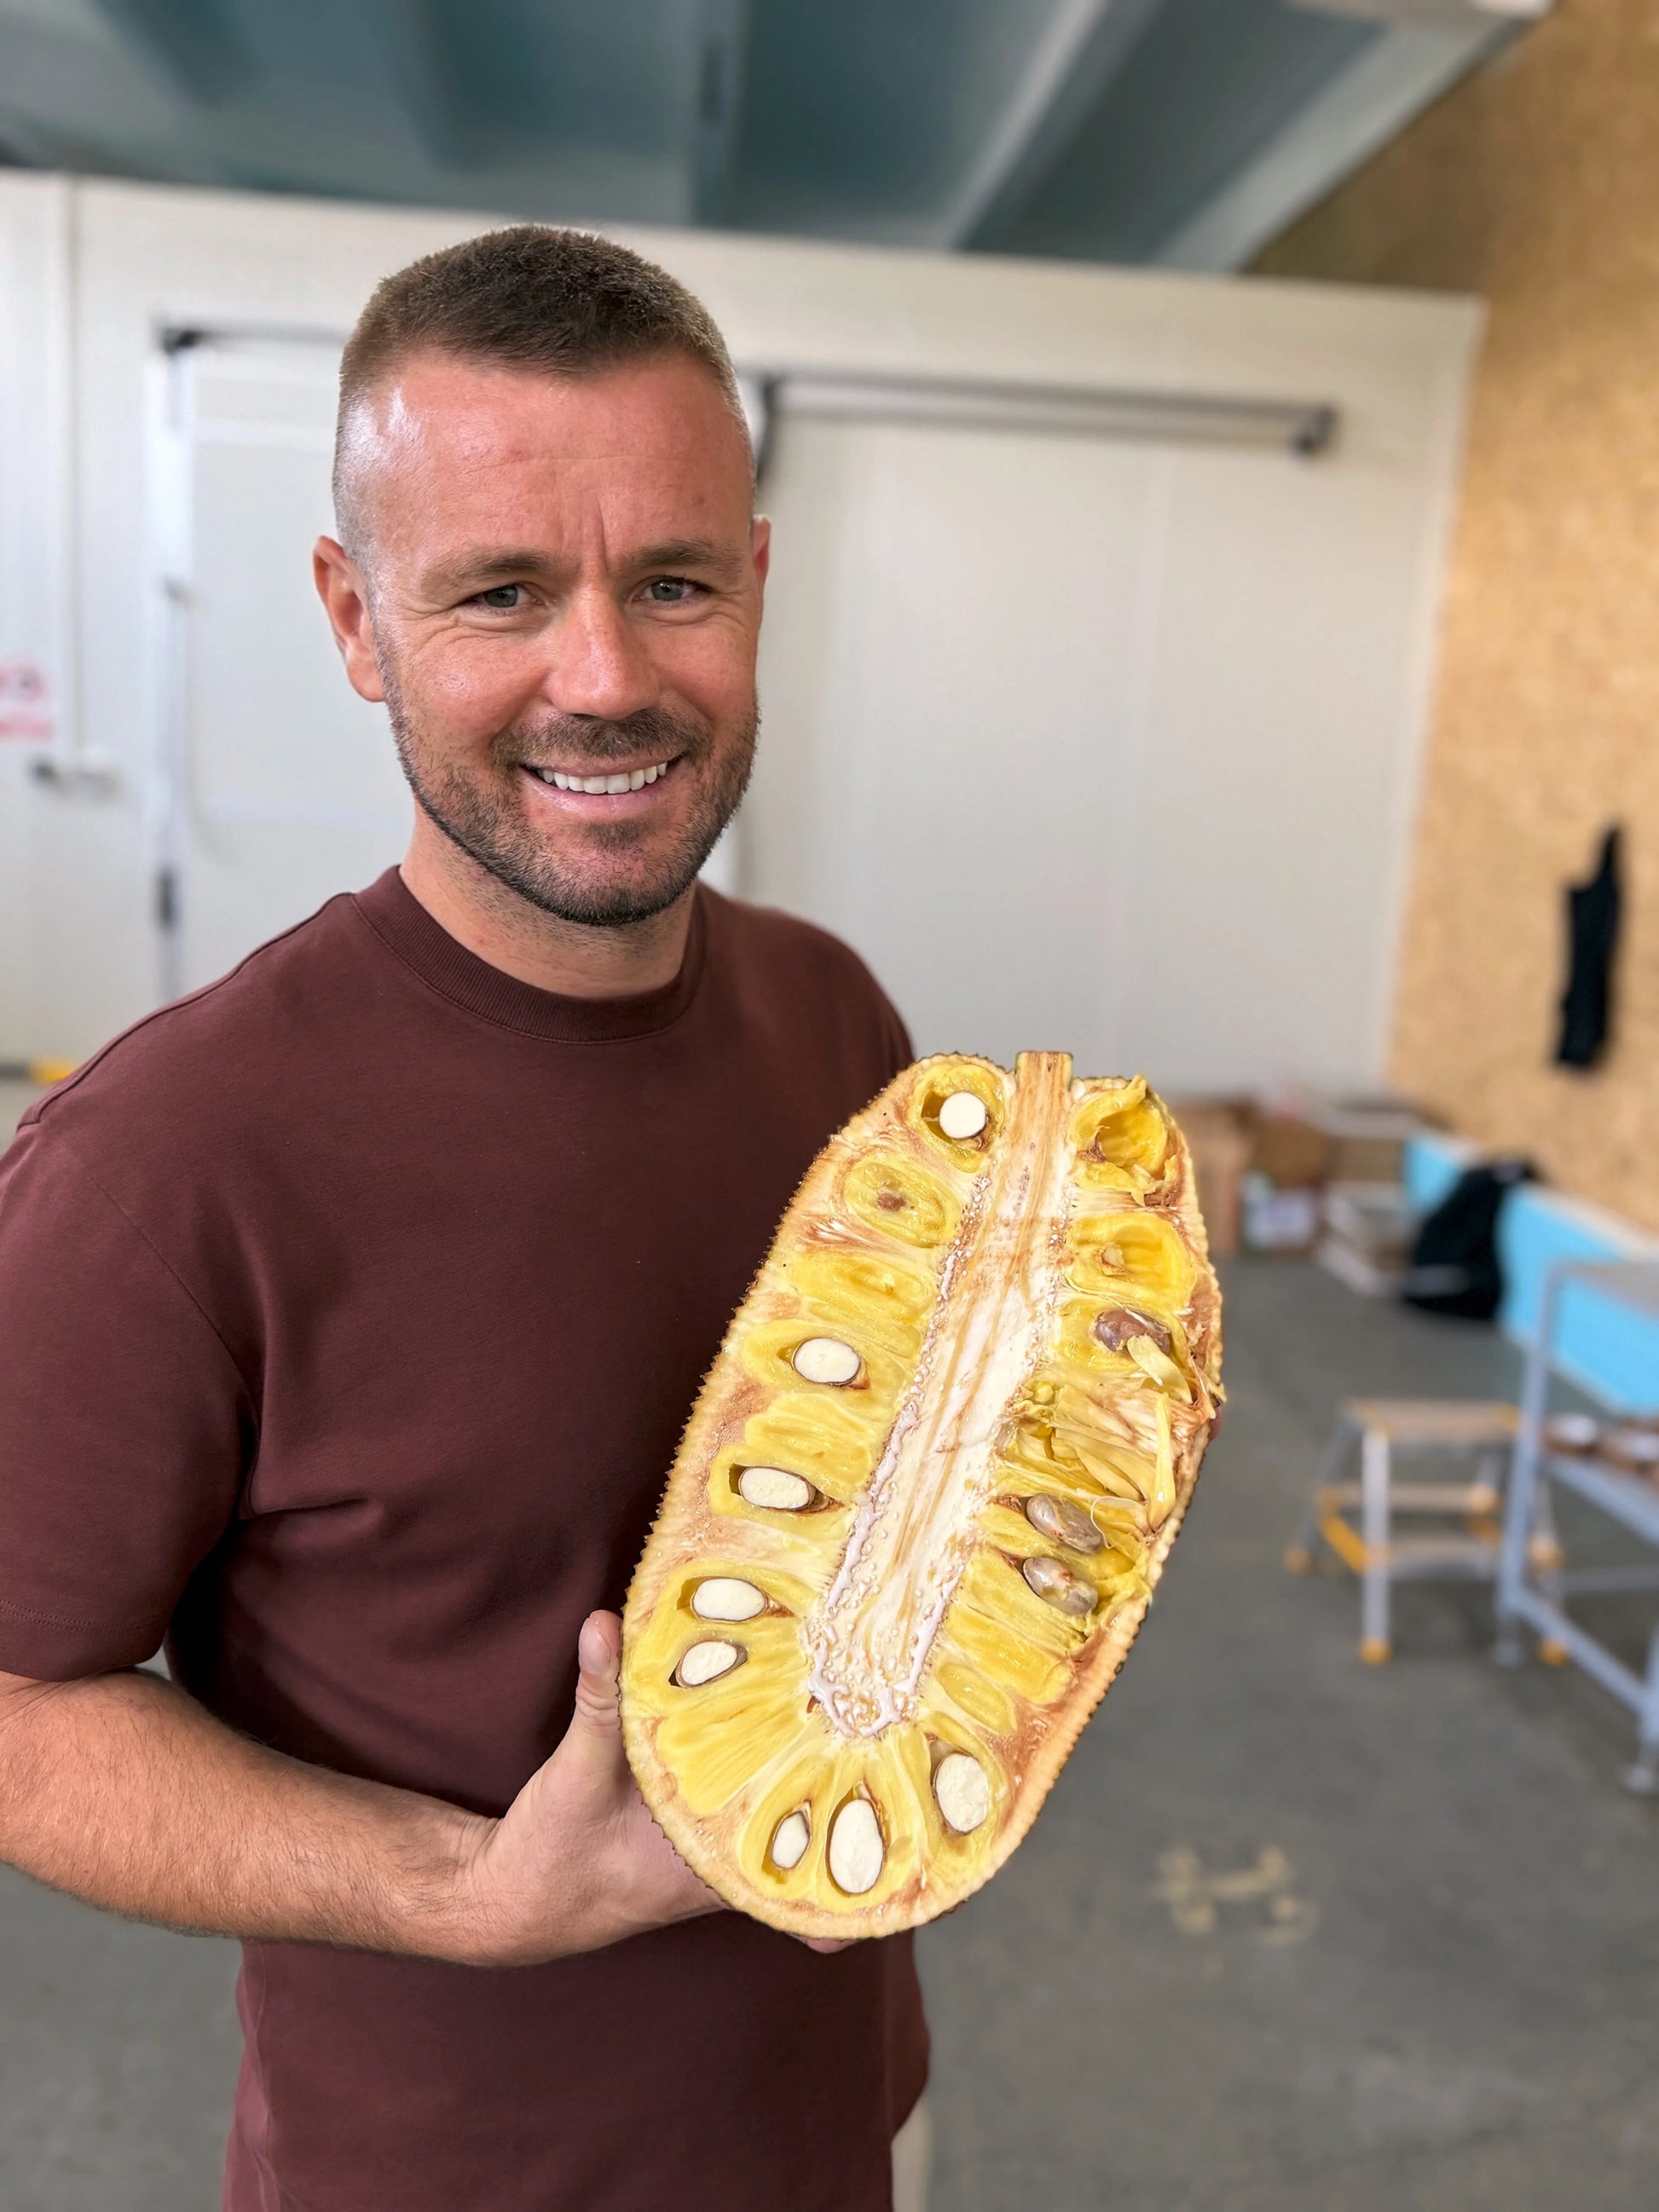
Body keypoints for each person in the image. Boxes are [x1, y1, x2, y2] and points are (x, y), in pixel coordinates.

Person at [0, 225, 931, 2211]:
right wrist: (468, 1890)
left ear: (756, 584)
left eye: (673, 582)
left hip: (844, 2117)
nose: (604, 677)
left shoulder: (837, 1014)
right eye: (499, 591)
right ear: (356, 618)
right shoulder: (163, 1163)